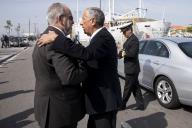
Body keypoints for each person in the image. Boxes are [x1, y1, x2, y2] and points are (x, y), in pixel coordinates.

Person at [37, 7, 122, 128]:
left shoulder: (103, 37)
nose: (80, 22)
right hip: (99, 102)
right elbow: (86, 52)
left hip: (105, 103)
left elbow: (87, 54)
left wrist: (57, 38)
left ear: (93, 21)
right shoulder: (99, 37)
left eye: (83, 19)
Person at [32, 3, 87, 128]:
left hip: (51, 107)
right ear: (61, 19)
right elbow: (70, 77)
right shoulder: (53, 42)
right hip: (60, 111)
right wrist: (84, 64)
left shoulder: (45, 36)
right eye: (71, 18)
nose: (73, 22)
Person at [118, 22, 145, 110]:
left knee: (127, 88)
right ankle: (141, 105)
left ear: (129, 30)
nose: (123, 33)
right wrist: (119, 54)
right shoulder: (129, 39)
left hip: (132, 69)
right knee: (135, 87)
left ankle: (122, 105)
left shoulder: (134, 40)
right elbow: (124, 50)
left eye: (124, 32)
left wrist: (123, 53)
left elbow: (132, 53)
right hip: (131, 68)